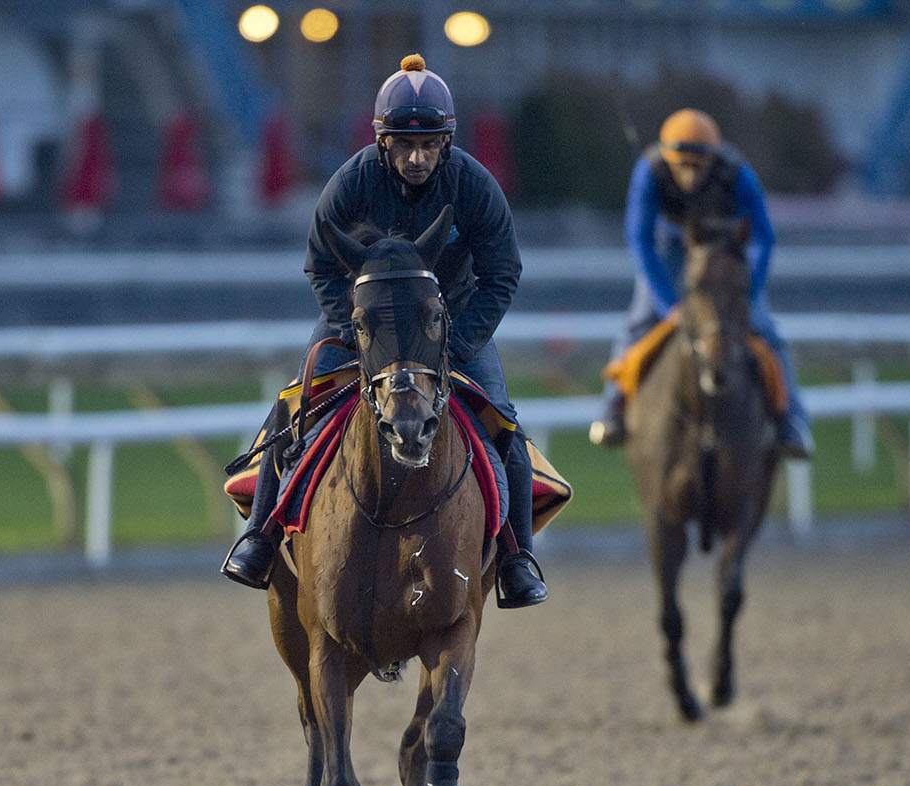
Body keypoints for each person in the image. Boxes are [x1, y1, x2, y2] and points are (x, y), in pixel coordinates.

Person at [222, 53, 548, 609]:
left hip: (448, 325)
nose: (416, 157)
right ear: (382, 142)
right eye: (403, 145)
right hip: (365, 322)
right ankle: (260, 537)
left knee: (504, 429)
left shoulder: (473, 186)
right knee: (292, 408)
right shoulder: (350, 183)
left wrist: (460, 340)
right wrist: (356, 330)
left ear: (446, 142)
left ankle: (517, 559)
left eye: (428, 145)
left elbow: (503, 273)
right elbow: (320, 265)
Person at [590, 108, 814, 459]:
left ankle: (792, 421)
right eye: (683, 165)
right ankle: (612, 408)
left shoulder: (736, 172)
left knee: (765, 328)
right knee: (640, 322)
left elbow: (764, 238)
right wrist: (669, 306)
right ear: (668, 158)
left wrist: (749, 293)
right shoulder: (649, 171)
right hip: (668, 248)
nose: (691, 175)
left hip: (721, 247)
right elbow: (640, 242)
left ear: (713, 160)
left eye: (699, 165)